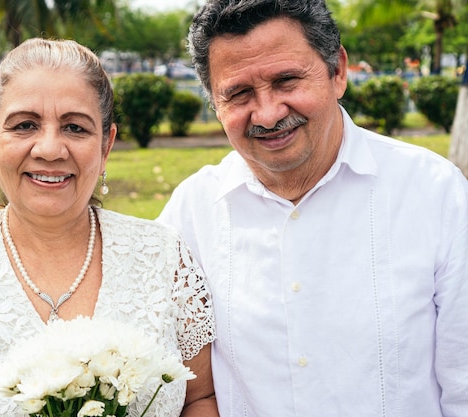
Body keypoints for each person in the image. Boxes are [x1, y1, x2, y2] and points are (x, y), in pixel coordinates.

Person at [0, 38, 217, 417]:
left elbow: (200, 399)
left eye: (75, 128)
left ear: (106, 145)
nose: (49, 149)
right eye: (25, 125)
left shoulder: (165, 256)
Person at [157, 1, 468, 416]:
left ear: (337, 71)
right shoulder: (191, 213)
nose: (268, 113)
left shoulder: (434, 192)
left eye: (287, 81)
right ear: (215, 104)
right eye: (240, 94)